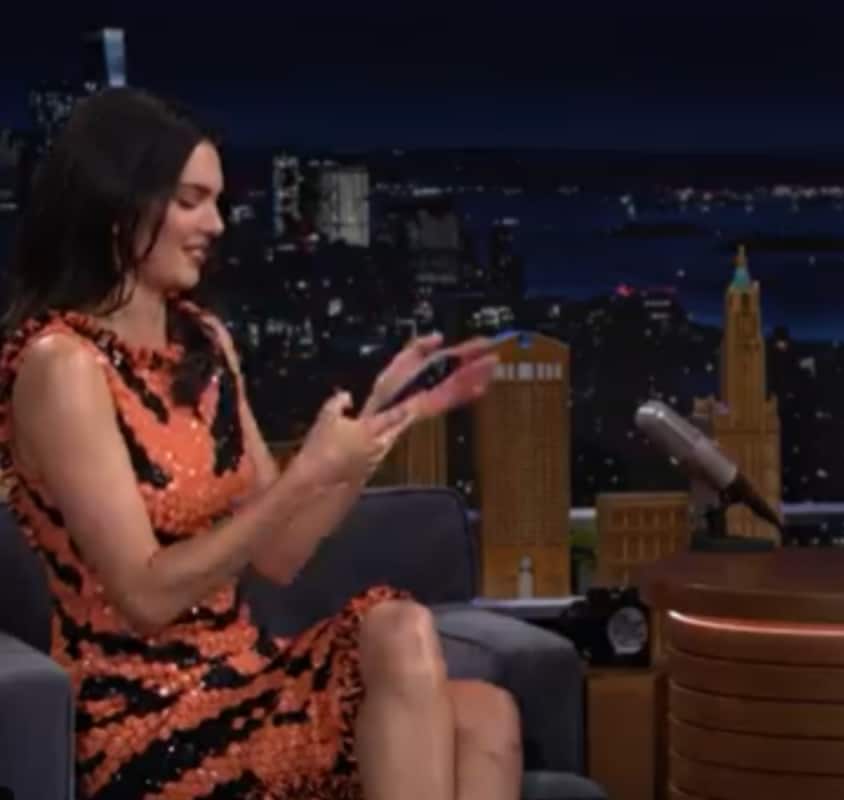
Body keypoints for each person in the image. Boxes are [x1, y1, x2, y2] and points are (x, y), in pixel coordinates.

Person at [0, 87, 520, 800]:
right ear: (119, 206)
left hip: (244, 676)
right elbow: (145, 594)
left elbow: (280, 553)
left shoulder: (204, 342)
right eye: (191, 201)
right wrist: (307, 473)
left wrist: (373, 432)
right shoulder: (62, 366)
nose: (215, 224)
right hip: (144, 713)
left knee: (488, 716)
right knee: (399, 632)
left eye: (217, 202)